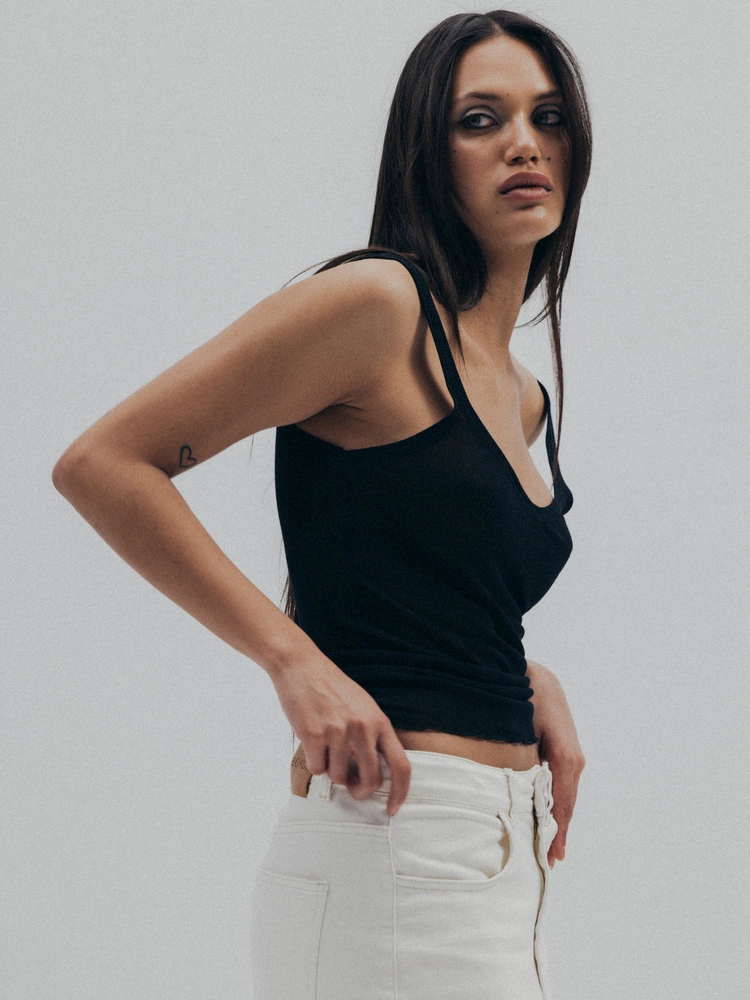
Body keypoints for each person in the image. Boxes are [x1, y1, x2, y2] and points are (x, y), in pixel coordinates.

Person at [52, 9, 590, 999]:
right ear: (427, 151)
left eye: (547, 116)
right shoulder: (379, 307)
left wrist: (519, 672)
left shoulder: (523, 397)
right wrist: (291, 659)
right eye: (480, 119)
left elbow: (399, 569)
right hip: (393, 853)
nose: (524, 142)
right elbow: (105, 463)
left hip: (500, 861)